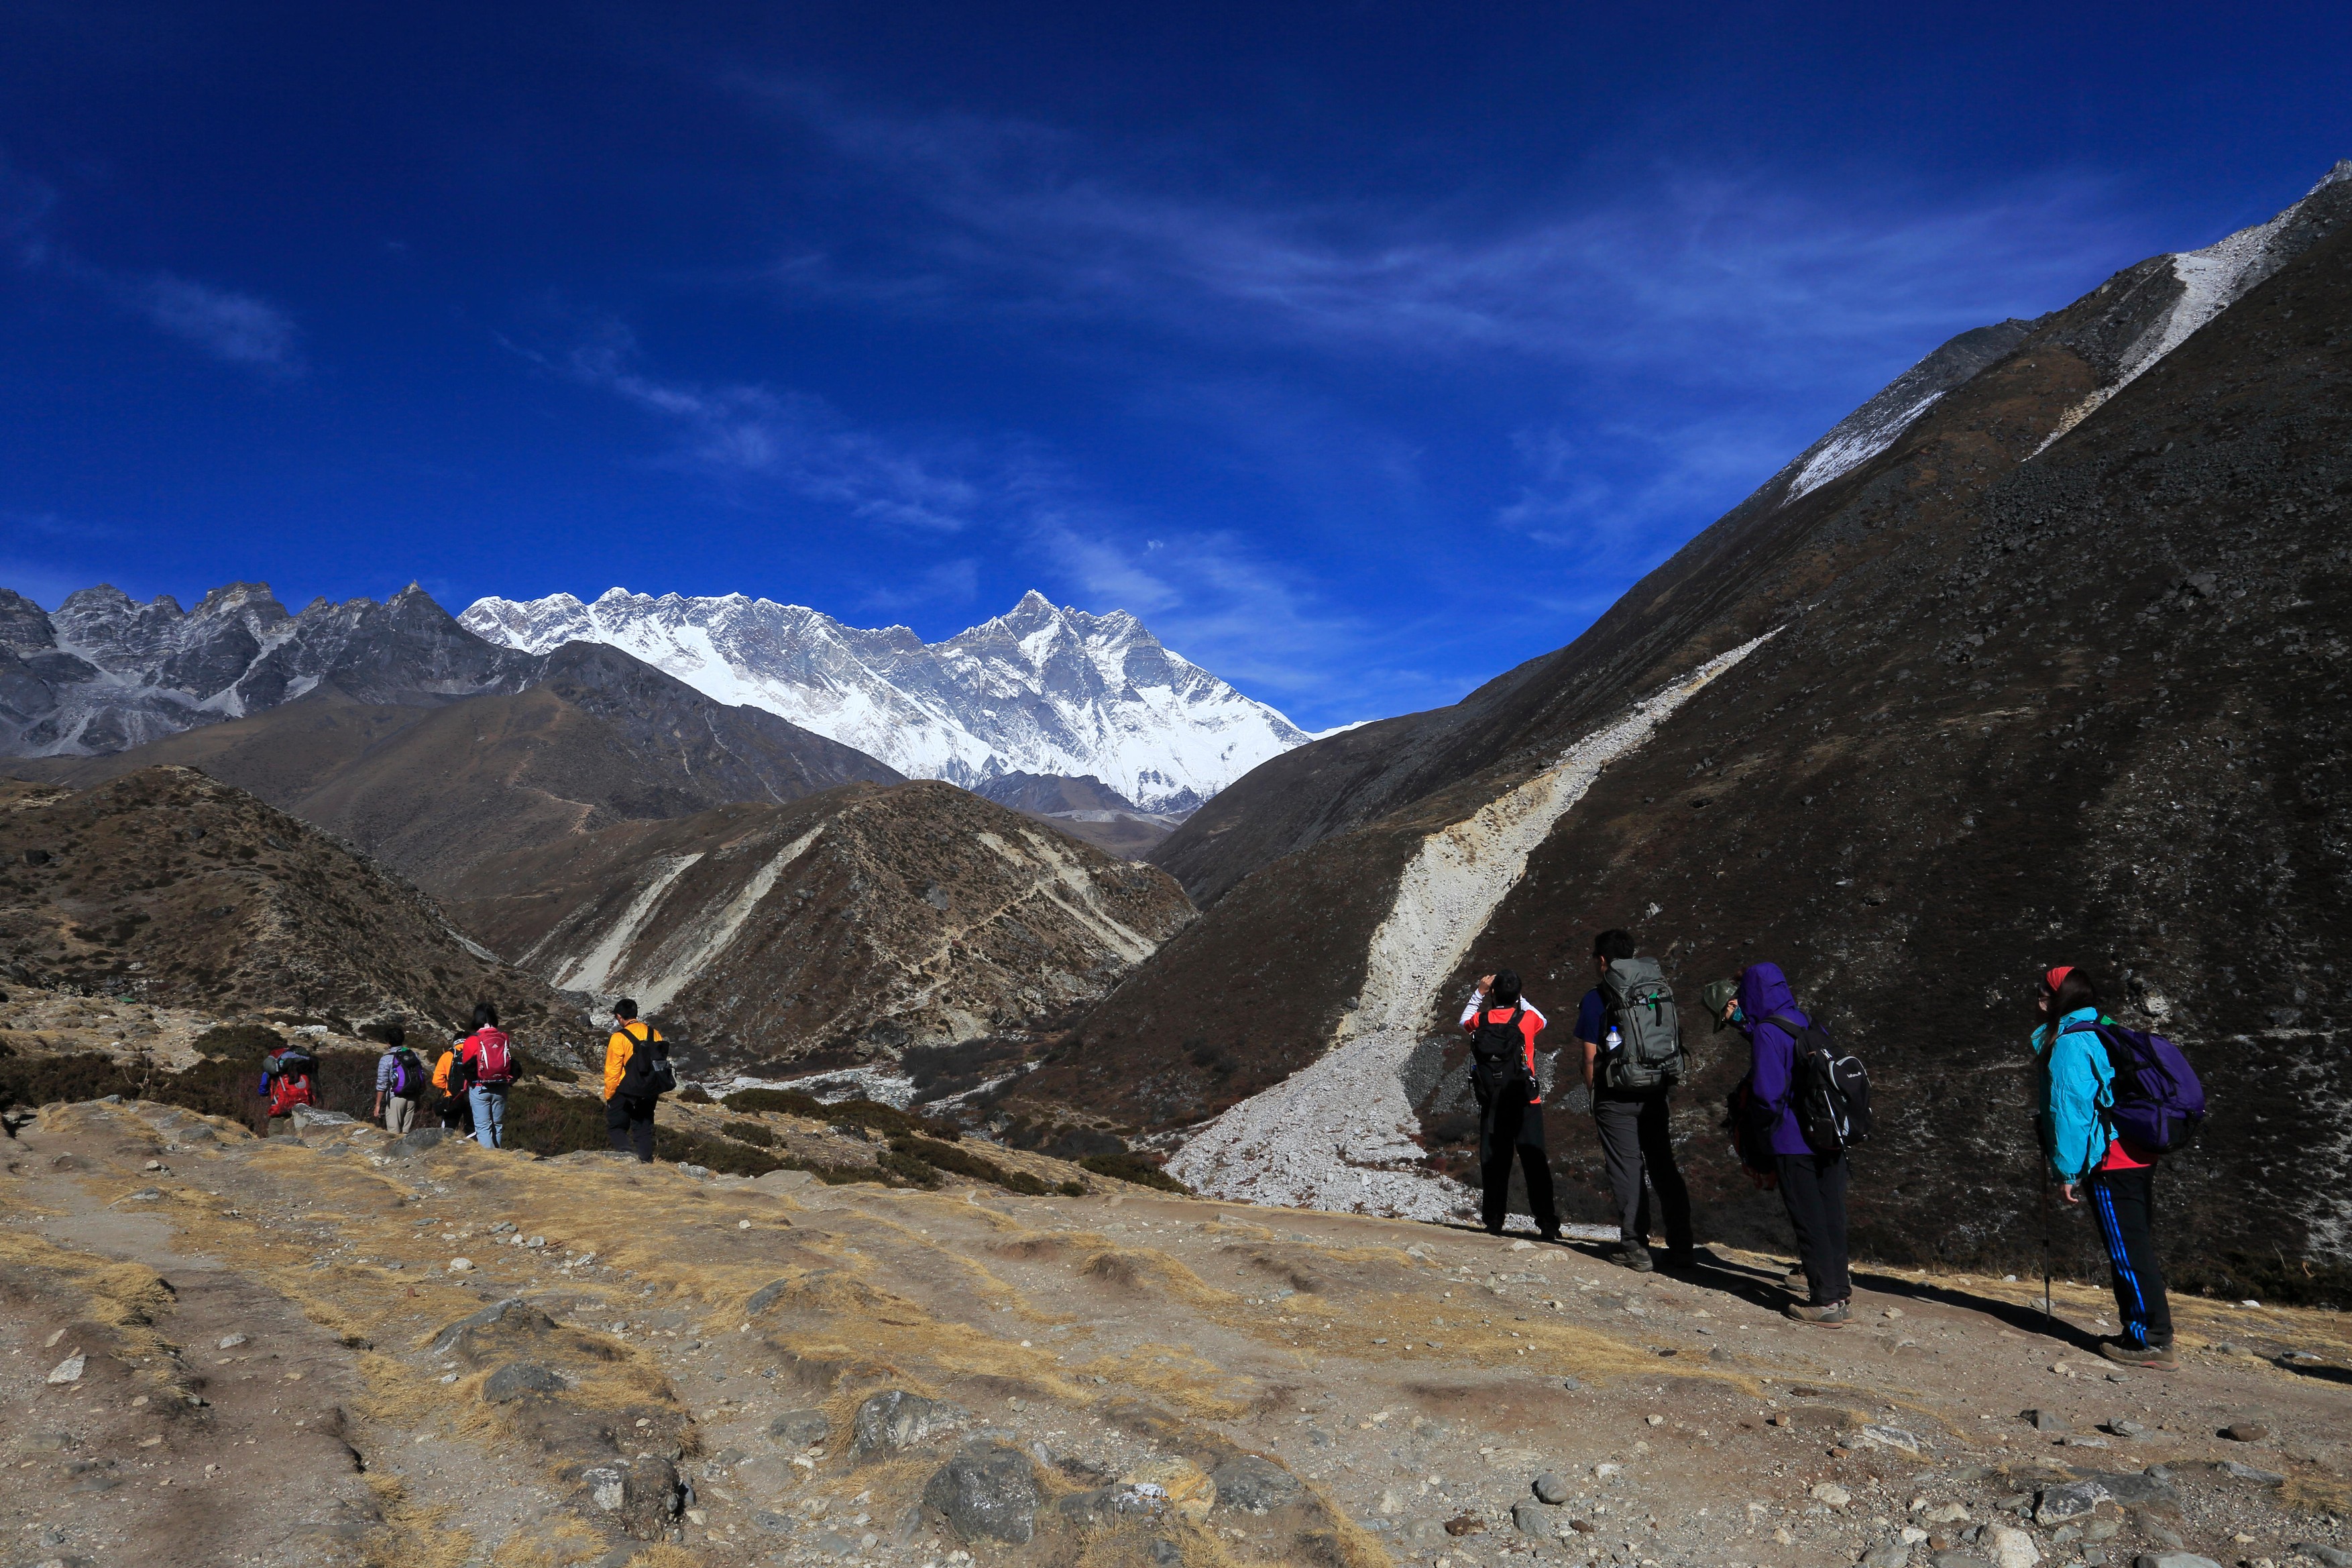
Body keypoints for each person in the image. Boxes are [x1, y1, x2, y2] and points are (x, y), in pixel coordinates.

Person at [2033, 965, 2174, 1369]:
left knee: (2128, 1250)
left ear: (2062, 996)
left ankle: (2153, 1340)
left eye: (2044, 991)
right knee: (2132, 1243)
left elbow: (2070, 1113)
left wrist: (2068, 1171)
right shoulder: (2104, 1027)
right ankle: (2137, 1331)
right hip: (2136, 1152)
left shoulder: (2070, 1043)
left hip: (2108, 1161)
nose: (2038, 998)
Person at [1716, 962, 1850, 1325]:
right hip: (1829, 1135)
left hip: (1793, 1139)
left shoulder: (1766, 1033)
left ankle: (1823, 1302)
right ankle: (1840, 1293)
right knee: (1831, 1215)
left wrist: (1759, 1131)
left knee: (1808, 1220)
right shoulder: (1806, 1021)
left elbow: (1767, 1093)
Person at [1578, 929, 1693, 1273]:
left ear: (1602, 960)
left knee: (1627, 1168)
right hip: (1656, 1090)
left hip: (1616, 1096)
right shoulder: (1655, 991)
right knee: (1664, 1166)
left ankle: (1636, 1247)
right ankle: (1682, 1247)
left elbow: (1588, 1057)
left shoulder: (1597, 997)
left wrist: (1594, 1095)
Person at [1459, 968, 1561, 1241]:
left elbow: (1463, 1020)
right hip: (1527, 1101)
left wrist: (1480, 993)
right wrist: (1519, 998)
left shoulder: (1481, 1020)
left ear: (1493, 993)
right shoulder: (1527, 1020)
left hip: (1493, 1102)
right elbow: (1543, 1020)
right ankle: (1547, 1223)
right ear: (1517, 995)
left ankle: (1494, 1220)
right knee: (1535, 1163)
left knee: (1494, 1163)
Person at [602, 999, 670, 1163]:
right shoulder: (654, 1033)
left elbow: (613, 1070)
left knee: (617, 1127)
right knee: (644, 1128)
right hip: (649, 1088)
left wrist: (610, 1095)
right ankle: (646, 1163)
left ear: (619, 1017)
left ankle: (628, 1160)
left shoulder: (618, 1037)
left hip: (626, 1089)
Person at [457, 1003, 514, 1150]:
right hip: (501, 1086)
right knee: (497, 1124)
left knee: (483, 1126)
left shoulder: (471, 1040)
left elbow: (466, 1066)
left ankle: (491, 1160)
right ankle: (499, 1154)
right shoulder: (504, 1037)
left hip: (480, 1087)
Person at [370, 1024, 425, 1135]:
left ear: (388, 1042)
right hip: (412, 1097)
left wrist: (378, 1105)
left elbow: (382, 1084)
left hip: (396, 1097)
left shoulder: (386, 1059)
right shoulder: (413, 1054)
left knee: (394, 1134)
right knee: (406, 1133)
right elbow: (420, 1074)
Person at [433, 1033, 474, 1136]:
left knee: (448, 1128)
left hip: (452, 1098)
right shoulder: (475, 1054)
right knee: (472, 1129)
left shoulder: (447, 1055)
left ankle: (446, 1149)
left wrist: (448, 1087)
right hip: (472, 1096)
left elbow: (436, 1080)